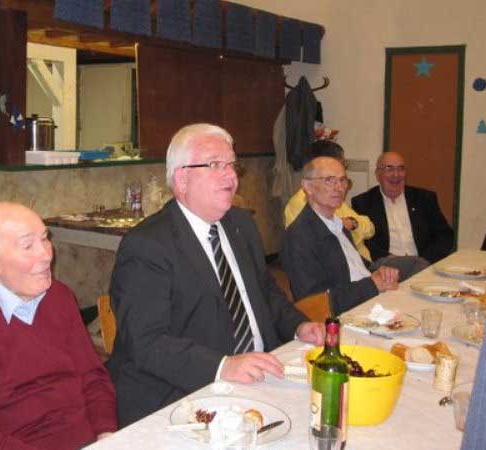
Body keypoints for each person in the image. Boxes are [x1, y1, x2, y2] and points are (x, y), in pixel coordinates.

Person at [108, 123, 325, 427]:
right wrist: (223, 366)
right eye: (214, 165)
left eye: (232, 165)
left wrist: (298, 325)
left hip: (260, 377)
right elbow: (146, 343)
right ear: (182, 179)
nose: (231, 176)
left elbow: (264, 291)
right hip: (184, 394)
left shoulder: (241, 225)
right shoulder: (147, 245)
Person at [0, 202, 117, 450]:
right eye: (28, 246)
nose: (47, 254)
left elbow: (93, 378)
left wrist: (106, 433)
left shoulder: (59, 297)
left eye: (44, 239)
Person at [281, 157, 399, 315]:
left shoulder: (337, 224)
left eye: (343, 180)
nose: (339, 188)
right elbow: (315, 302)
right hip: (346, 316)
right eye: (329, 180)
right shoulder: (298, 236)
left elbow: (355, 265)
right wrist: (372, 284)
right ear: (307, 186)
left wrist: (379, 272)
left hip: (370, 299)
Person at [351, 151, 454, 264]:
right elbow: (362, 242)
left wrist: (424, 261)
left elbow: (445, 236)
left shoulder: (424, 199)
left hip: (424, 264)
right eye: (389, 169)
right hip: (385, 266)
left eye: (401, 169)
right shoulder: (363, 203)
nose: (396, 174)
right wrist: (388, 260)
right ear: (377, 174)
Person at [284, 140, 375, 262]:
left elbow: (370, 228)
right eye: (330, 179)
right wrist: (353, 231)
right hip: (345, 268)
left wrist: (353, 223)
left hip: (364, 263)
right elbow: (328, 246)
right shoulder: (299, 203)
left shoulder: (334, 198)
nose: (340, 187)